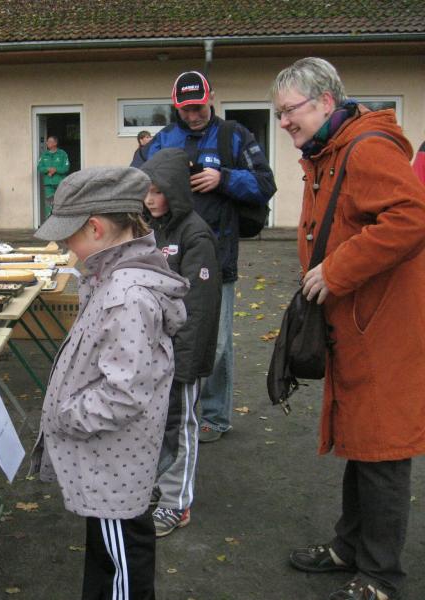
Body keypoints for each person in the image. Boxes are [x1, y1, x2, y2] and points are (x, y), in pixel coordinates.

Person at [271, 57, 425, 600]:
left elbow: (411, 217)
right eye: (279, 113)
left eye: (289, 111)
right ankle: (349, 547)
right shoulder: (332, 150)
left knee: (383, 448)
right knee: (363, 441)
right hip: (358, 325)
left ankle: (380, 577)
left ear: (325, 102)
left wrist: (336, 270)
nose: (283, 122)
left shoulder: (366, 149)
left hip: (382, 328)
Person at [29, 166, 188, 600]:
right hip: (109, 463)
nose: (65, 246)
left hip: (114, 467)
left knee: (121, 564)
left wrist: (65, 416)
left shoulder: (126, 296)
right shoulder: (111, 278)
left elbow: (123, 393)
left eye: (68, 237)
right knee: (107, 557)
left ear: (95, 229)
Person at [147, 70, 276, 443]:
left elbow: (265, 184)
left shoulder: (234, 135)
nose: (192, 115)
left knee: (215, 342)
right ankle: (172, 412)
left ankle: (215, 417)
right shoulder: (164, 139)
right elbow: (139, 181)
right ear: (176, 106)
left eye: (198, 107)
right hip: (168, 258)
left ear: (211, 98)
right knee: (168, 335)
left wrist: (224, 179)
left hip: (218, 258)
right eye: (185, 109)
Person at [140, 149, 221, 537]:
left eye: (159, 191)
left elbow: (198, 308)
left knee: (181, 424)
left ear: (176, 191)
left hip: (182, 354)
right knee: (158, 423)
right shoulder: (155, 229)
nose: (151, 199)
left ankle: (177, 503)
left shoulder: (195, 234)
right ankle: (162, 484)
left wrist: (184, 363)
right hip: (155, 352)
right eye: (147, 191)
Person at [37, 135, 70, 217]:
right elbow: (39, 167)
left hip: (60, 183)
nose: (47, 143)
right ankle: (49, 222)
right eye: (47, 141)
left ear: (55, 143)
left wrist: (55, 170)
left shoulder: (62, 154)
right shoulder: (44, 155)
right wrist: (48, 169)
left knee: (61, 203)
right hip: (48, 184)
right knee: (49, 204)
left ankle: (61, 221)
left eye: (49, 141)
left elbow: (66, 168)